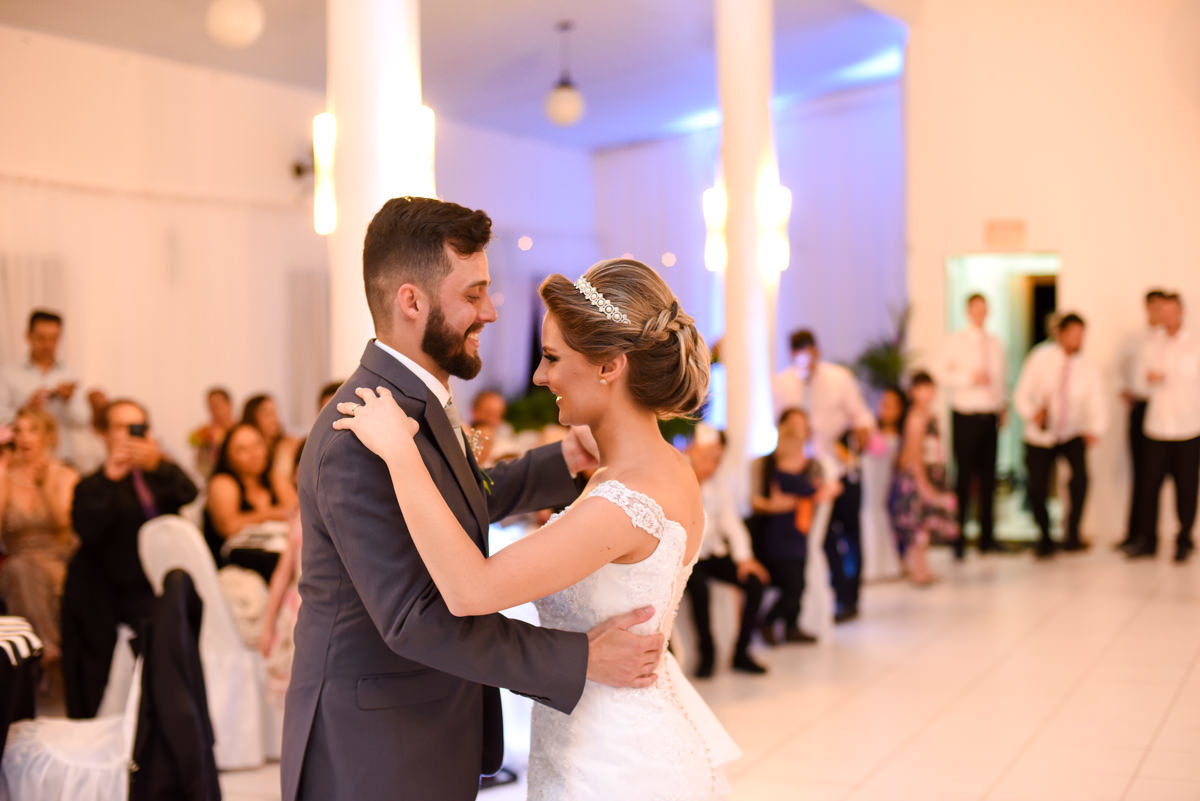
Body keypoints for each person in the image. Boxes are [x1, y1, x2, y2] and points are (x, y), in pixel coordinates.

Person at [281, 198, 679, 801]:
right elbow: (415, 619)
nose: (490, 312)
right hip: (373, 751)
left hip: (422, 730)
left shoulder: (413, 403)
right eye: (474, 295)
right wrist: (579, 660)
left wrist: (562, 460)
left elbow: (454, 505)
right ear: (412, 302)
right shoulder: (360, 432)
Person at [61, 398, 199, 718]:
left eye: (137, 427)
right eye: (121, 427)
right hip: (104, 587)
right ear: (104, 434)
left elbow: (189, 493)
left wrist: (158, 464)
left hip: (152, 584)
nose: (130, 434)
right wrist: (110, 479)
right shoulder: (93, 483)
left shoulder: (159, 473)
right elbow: (87, 529)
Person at [1013, 313, 1108, 557]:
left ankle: (1072, 533)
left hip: (1072, 432)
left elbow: (1097, 400)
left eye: (1081, 335)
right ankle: (1044, 536)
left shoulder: (1088, 367)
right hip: (1041, 434)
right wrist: (1033, 413)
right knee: (1037, 486)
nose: (1077, 340)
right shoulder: (1040, 357)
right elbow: (1021, 394)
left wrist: (1095, 429)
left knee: (1081, 480)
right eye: (1073, 334)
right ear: (1060, 334)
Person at [685, 427, 770, 678]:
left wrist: (745, 558)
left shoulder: (719, 483)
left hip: (713, 552)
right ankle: (707, 654)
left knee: (755, 583)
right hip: (687, 557)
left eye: (717, 459)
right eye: (709, 458)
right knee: (700, 590)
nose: (713, 465)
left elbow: (731, 522)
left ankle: (741, 651)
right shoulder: (679, 478)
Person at [0, 407, 79, 673]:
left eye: (32, 430)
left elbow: (64, 524)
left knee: (25, 572)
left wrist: (44, 487)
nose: (24, 437)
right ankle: (49, 649)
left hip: (58, 560)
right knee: (20, 569)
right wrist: (2, 474)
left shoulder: (64, 475)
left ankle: (41, 652)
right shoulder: (5, 477)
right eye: (19, 430)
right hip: (18, 561)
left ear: (48, 436)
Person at [1128, 293, 1200, 563]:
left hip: (1188, 428)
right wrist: (1149, 380)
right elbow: (1137, 385)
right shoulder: (1150, 346)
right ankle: (1148, 540)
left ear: (1181, 312)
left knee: (1187, 489)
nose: (1167, 317)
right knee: (1149, 487)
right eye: (1163, 312)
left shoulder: (1195, 345)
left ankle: (1184, 539)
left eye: (1172, 312)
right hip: (1156, 428)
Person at [750, 408, 826, 645]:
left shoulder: (810, 465)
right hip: (778, 536)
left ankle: (791, 626)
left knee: (799, 583)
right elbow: (812, 492)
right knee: (793, 585)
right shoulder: (773, 468)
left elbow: (814, 494)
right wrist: (777, 505)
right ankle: (768, 621)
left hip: (798, 533)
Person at [940, 293, 1007, 557]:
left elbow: (1001, 377)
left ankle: (987, 537)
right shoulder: (954, 341)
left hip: (989, 414)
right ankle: (958, 537)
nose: (980, 312)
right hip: (965, 414)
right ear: (968, 310)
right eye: (976, 308)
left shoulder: (995, 343)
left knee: (989, 477)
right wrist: (969, 378)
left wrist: (1002, 405)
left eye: (984, 308)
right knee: (964, 477)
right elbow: (940, 372)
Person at [889, 372, 958, 584]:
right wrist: (923, 484)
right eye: (921, 388)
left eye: (929, 388)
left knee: (925, 525)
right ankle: (917, 571)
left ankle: (923, 569)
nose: (926, 393)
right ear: (912, 392)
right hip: (917, 477)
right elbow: (913, 454)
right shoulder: (915, 418)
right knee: (916, 526)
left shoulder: (930, 416)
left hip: (931, 472)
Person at [203, 422, 294, 580]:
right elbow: (229, 527)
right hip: (234, 569)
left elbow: (296, 511)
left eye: (257, 445)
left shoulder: (272, 477)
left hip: (274, 557)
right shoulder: (223, 482)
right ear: (228, 456)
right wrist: (271, 514)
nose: (254, 454)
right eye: (242, 449)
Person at [0, 310, 90, 466]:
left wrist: (67, 401)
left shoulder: (70, 374)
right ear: (28, 336)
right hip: (20, 459)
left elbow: (83, 421)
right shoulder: (8, 374)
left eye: (53, 338)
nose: (48, 345)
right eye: (41, 338)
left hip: (61, 457)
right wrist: (27, 408)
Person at [1116, 289, 1166, 552]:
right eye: (1153, 306)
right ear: (1146, 308)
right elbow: (1119, 367)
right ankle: (1134, 532)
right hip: (1140, 407)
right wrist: (1123, 389)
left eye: (1162, 307)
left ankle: (1149, 535)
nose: (1158, 312)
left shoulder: (1169, 340)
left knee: (1153, 474)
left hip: (1163, 410)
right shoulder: (1135, 339)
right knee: (1139, 472)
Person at [860, 387, 904, 581]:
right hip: (869, 475)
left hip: (880, 477)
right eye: (883, 404)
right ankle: (873, 564)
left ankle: (879, 565)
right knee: (870, 511)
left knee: (874, 510)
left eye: (890, 405)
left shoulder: (896, 434)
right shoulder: (871, 428)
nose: (885, 409)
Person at [241, 393, 300, 509]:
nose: (275, 419)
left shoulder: (289, 444)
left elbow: (291, 503)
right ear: (252, 417)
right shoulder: (251, 457)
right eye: (267, 414)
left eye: (275, 413)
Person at [189, 387, 235, 479]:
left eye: (217, 405)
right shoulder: (205, 433)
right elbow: (201, 466)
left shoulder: (242, 430)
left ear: (229, 405)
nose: (214, 411)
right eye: (210, 407)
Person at [469, 388, 517, 467]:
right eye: (488, 413)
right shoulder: (463, 438)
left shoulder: (505, 441)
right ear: (474, 411)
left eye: (497, 415)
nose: (492, 420)